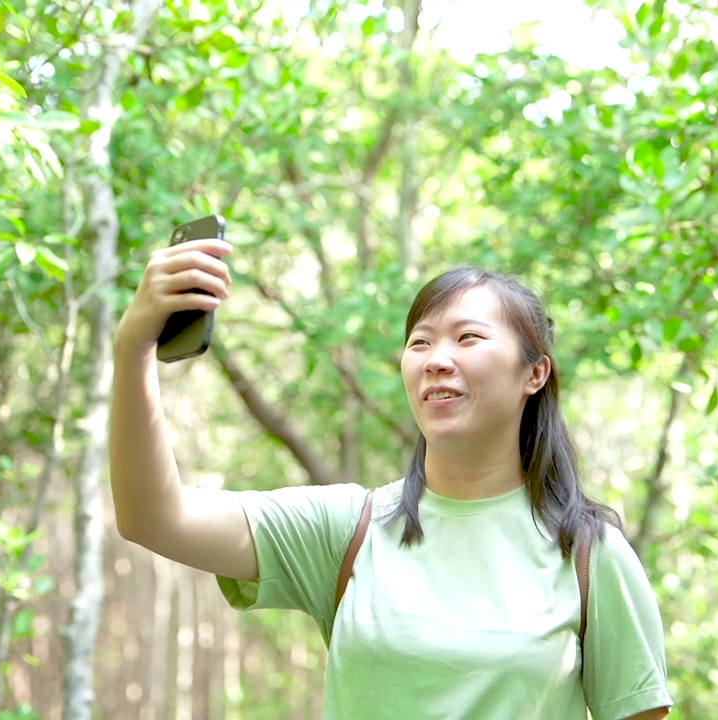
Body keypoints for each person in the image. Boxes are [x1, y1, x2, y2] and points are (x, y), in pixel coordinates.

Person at [109, 235, 673, 720]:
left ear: (535, 372)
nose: (436, 359)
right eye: (420, 342)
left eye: (468, 338)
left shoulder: (590, 554)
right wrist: (133, 347)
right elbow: (155, 518)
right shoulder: (347, 529)